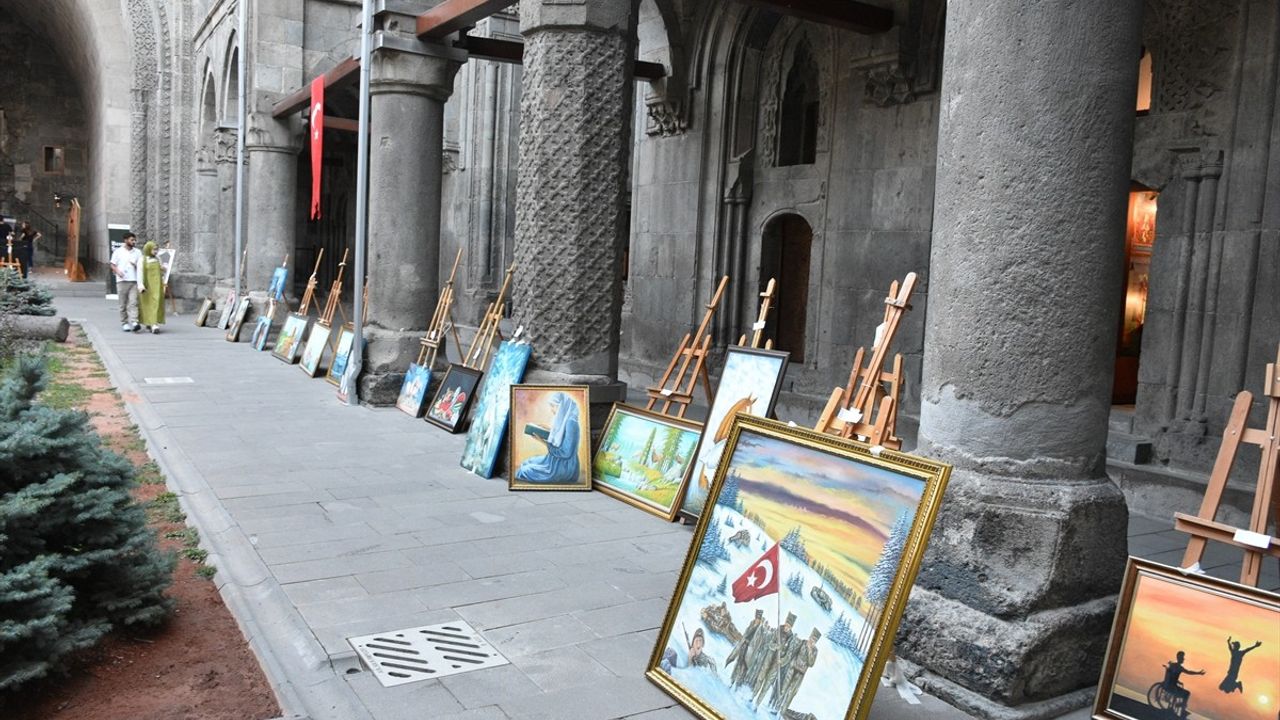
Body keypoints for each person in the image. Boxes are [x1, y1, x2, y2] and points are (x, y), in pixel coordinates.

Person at [515, 392, 581, 484]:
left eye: (553, 406)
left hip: (563, 466)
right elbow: (561, 435)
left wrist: (542, 441)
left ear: (561, 406)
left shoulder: (571, 423)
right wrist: (546, 428)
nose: (552, 410)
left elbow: (566, 453)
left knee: (524, 470)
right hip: (553, 460)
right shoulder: (566, 419)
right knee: (527, 462)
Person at [109, 232, 143, 331]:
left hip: (134, 280)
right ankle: (124, 322)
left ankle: (134, 321)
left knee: (133, 302)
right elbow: (112, 264)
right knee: (122, 303)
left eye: (134, 240)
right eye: (132, 240)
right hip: (122, 280)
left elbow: (141, 266)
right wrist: (118, 271)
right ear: (125, 240)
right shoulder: (118, 252)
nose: (134, 242)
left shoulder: (138, 252)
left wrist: (136, 265)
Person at [1161, 650, 1205, 718]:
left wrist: (1177, 681)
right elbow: (1189, 672)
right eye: (1182, 657)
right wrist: (1198, 673)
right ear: (1179, 658)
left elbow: (1172, 676)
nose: (1184, 659)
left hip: (1168, 684)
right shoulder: (1179, 667)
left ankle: (1179, 706)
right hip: (1171, 687)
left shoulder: (1173, 665)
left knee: (1181, 691)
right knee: (1187, 693)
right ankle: (1182, 708)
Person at [137, 241, 165, 333]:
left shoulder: (158, 258)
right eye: (154, 249)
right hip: (147, 285)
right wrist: (140, 285)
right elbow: (140, 272)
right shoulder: (142, 259)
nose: (156, 251)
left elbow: (161, 270)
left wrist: (164, 270)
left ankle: (154, 324)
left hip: (157, 286)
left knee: (155, 303)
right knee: (147, 304)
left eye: (157, 249)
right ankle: (149, 322)